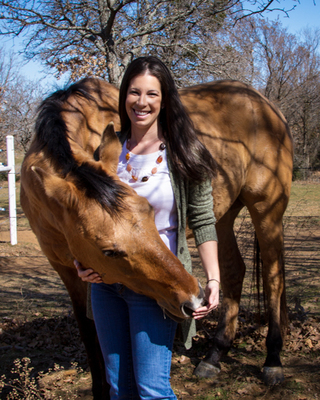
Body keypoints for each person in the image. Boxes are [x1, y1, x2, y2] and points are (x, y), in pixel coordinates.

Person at [75, 56, 220, 400]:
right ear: (124, 96)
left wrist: (213, 280)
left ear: (165, 99)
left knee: (152, 389)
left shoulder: (185, 152)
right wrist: (82, 261)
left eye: (152, 94)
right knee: (119, 388)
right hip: (108, 285)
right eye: (135, 92)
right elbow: (89, 220)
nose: (142, 102)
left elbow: (202, 219)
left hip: (158, 281)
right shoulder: (108, 149)